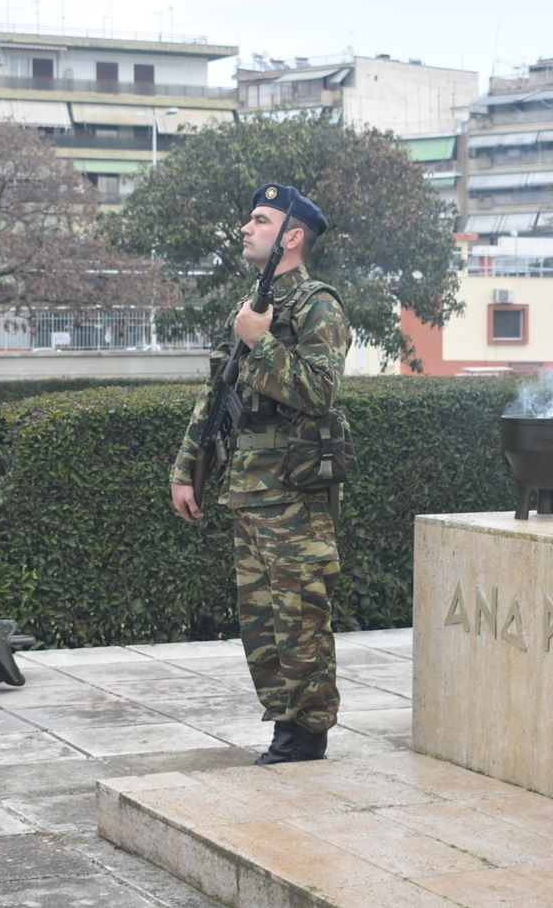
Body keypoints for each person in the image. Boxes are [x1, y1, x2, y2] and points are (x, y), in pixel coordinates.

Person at [170, 183, 352, 765]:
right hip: (248, 489)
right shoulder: (254, 304)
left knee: (299, 617)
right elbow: (216, 395)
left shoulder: (318, 306)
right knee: (261, 623)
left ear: (292, 238)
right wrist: (186, 471)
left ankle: (309, 730)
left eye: (260, 220)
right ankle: (283, 724)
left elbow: (320, 391)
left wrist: (261, 341)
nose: (245, 228)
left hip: (294, 492)